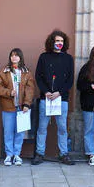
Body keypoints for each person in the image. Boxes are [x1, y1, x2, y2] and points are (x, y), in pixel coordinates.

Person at [33, 29, 75, 165]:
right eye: (57, 41)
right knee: (42, 127)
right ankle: (39, 153)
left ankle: (64, 154)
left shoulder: (68, 59)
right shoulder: (43, 57)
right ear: (52, 42)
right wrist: (45, 91)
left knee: (62, 128)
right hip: (46, 98)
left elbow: (70, 80)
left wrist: (59, 93)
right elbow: (38, 77)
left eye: (62, 41)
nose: (59, 43)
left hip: (61, 99)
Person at [0, 48, 36, 166]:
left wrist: (27, 104)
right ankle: (9, 155)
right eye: (12, 55)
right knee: (8, 131)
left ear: (21, 57)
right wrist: (8, 92)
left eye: (17, 56)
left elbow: (30, 89)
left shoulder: (27, 72)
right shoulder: (4, 72)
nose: (14, 58)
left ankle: (17, 154)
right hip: (8, 107)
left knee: (20, 132)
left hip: (22, 108)